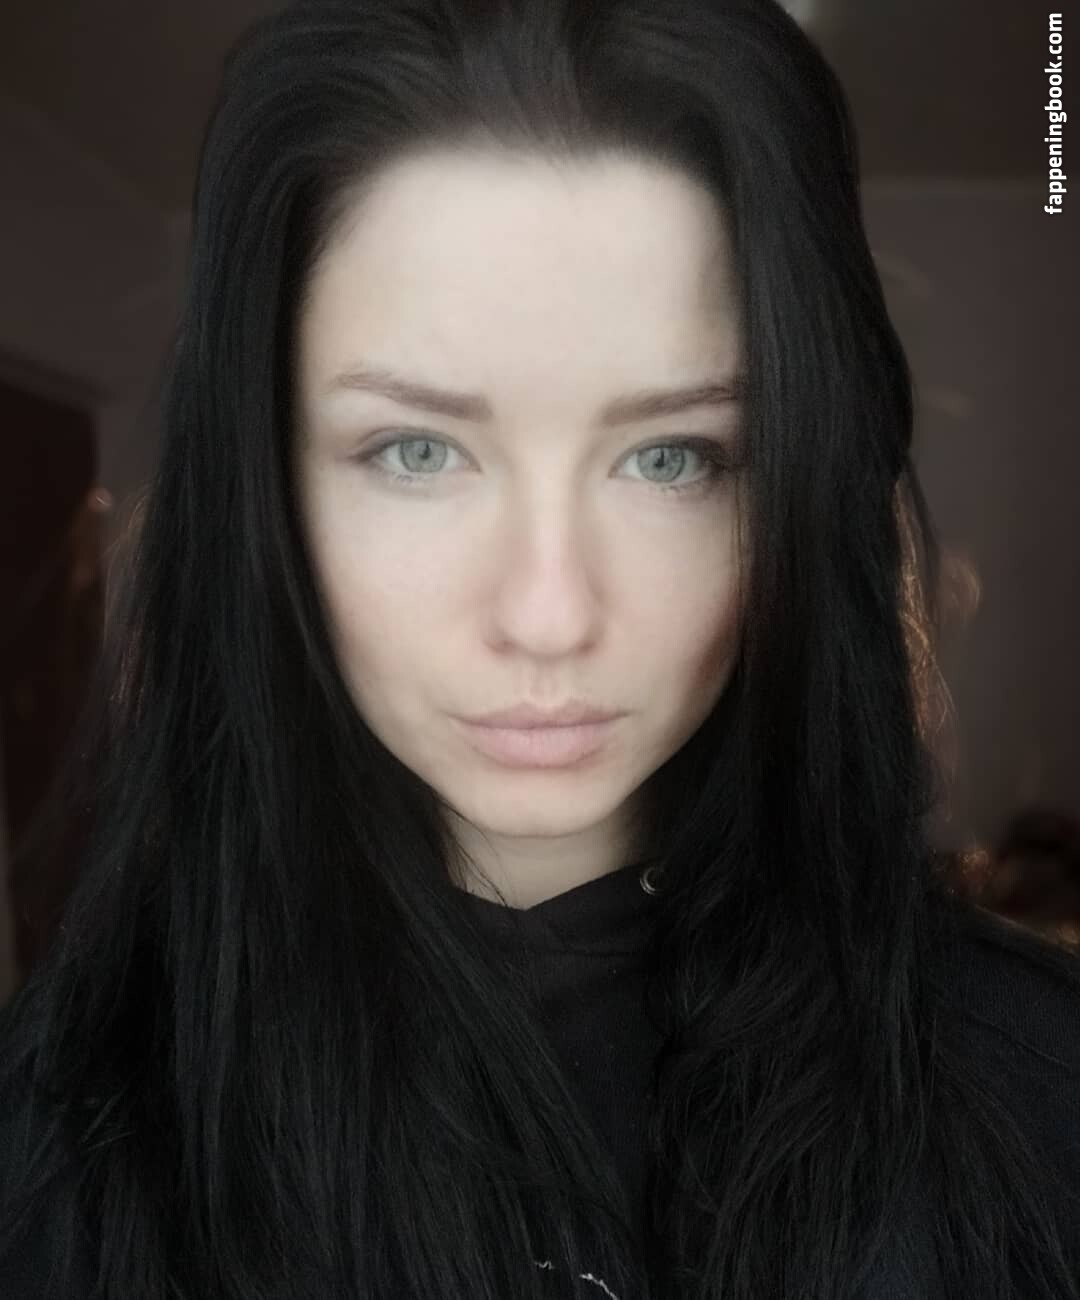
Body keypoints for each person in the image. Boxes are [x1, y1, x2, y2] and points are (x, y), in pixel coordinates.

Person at [1, 1, 1078, 1296]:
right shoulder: (63, 1148)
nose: (550, 613)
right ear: (264, 490)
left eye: (672, 458)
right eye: (417, 451)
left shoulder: (1041, 1098)